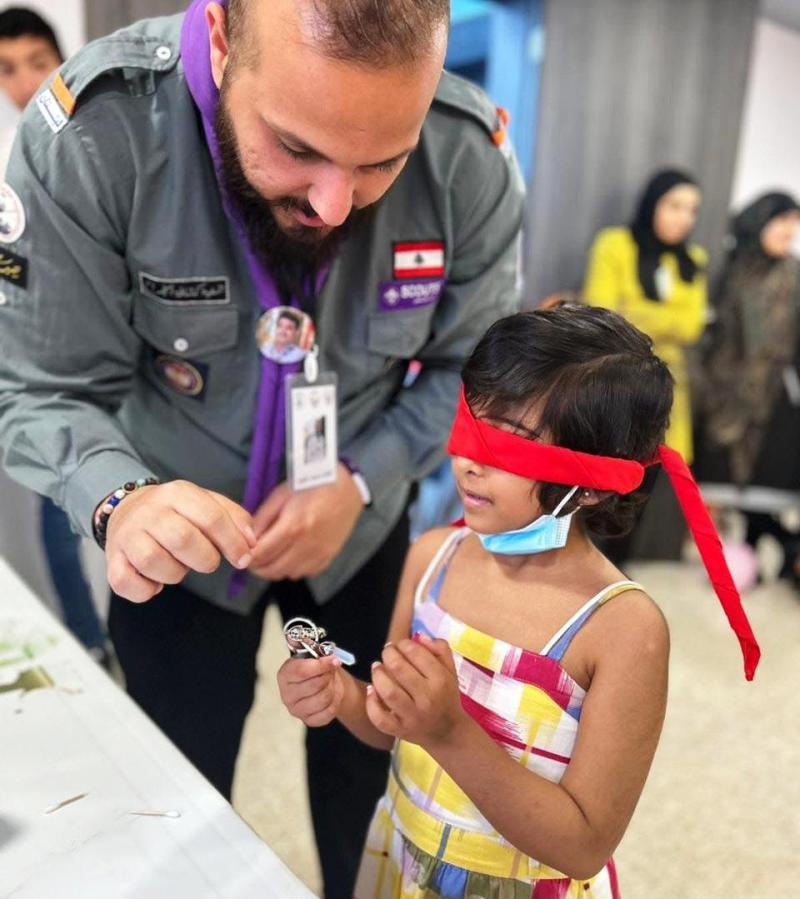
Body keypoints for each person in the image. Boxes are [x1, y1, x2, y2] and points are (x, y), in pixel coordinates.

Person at [0, 0, 525, 894]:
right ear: (219, 38)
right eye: (297, 148)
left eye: (380, 165)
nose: (333, 204)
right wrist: (124, 501)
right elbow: (39, 387)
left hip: (362, 538)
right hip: (179, 543)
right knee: (176, 782)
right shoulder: (95, 135)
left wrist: (362, 480)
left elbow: (473, 376)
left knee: (367, 774)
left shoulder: (467, 154)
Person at [278, 304, 760, 898]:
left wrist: (451, 730)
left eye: (513, 445)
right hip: (401, 862)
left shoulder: (621, 629)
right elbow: (395, 724)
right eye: (472, 423)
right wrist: (343, 697)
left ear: (590, 483)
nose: (469, 461)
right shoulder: (432, 557)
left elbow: (584, 845)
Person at [0, 8, 110, 665]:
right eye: (7, 69)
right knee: (58, 510)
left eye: (37, 62)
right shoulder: (9, 162)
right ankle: (92, 643)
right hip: (37, 366)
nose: (23, 81)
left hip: (108, 361)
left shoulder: (97, 143)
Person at [583, 169, 708, 561]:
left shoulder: (693, 260)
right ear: (653, 203)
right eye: (675, 206)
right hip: (614, 382)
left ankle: (617, 573)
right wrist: (664, 318)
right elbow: (602, 310)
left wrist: (633, 309)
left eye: (692, 210)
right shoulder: (615, 245)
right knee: (598, 482)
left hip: (667, 391)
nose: (684, 217)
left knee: (642, 488)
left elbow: (691, 326)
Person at [697, 192, 800, 581]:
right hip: (726, 393)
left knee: (764, 480)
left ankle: (769, 550)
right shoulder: (732, 270)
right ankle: (760, 555)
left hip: (776, 395)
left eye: (794, 222)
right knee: (731, 481)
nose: (789, 230)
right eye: (781, 220)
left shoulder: (795, 274)